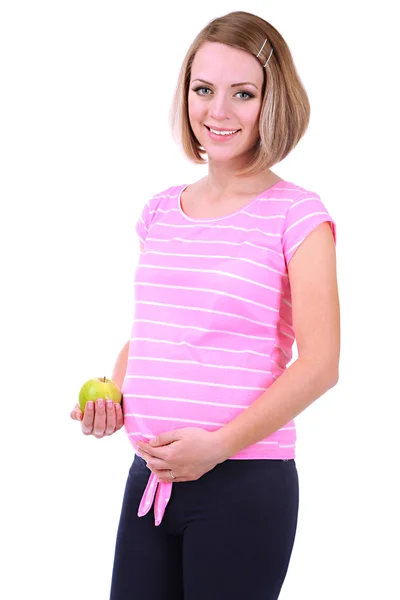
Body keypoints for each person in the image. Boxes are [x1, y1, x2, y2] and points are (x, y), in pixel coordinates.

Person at [70, 10, 340, 600]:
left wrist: (216, 447)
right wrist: (115, 393)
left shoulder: (298, 215)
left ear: (274, 102)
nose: (218, 111)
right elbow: (157, 331)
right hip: (153, 479)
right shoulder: (162, 209)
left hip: (244, 484)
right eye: (203, 89)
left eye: (243, 93)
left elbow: (321, 364)